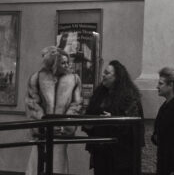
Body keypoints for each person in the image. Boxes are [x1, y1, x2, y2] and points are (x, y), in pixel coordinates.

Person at [24, 46, 83, 175]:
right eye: (63, 62)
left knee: (58, 164)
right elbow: (32, 103)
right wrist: (42, 124)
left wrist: (64, 125)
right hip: (42, 133)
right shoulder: (37, 78)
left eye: (67, 62)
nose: (67, 65)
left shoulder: (73, 80)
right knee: (37, 163)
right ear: (54, 63)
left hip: (60, 133)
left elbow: (76, 104)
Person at [83, 60, 144, 175]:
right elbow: (89, 115)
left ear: (117, 77)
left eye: (107, 73)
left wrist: (113, 120)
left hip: (121, 155)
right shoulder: (99, 94)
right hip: (101, 151)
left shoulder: (129, 96)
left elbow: (134, 126)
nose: (103, 75)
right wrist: (88, 125)